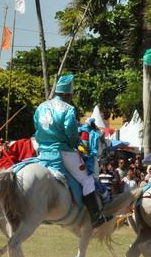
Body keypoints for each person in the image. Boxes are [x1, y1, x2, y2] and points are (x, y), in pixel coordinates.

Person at [33, 74, 110, 228]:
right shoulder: (68, 109)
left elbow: (36, 125)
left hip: (42, 152)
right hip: (62, 151)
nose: (71, 98)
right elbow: (71, 131)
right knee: (87, 180)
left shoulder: (41, 106)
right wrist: (77, 144)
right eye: (71, 95)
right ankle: (95, 216)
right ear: (67, 94)